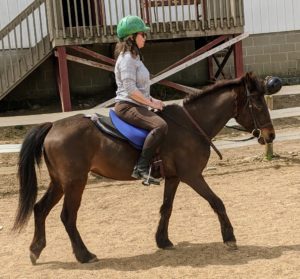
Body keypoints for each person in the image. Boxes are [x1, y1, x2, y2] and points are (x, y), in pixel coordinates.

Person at [114, 15, 168, 185]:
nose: (145, 37)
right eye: (142, 34)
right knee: (160, 125)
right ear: (132, 37)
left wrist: (153, 100)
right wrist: (150, 103)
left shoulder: (135, 58)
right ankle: (141, 168)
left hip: (136, 103)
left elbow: (140, 89)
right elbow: (130, 90)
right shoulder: (127, 59)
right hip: (127, 106)